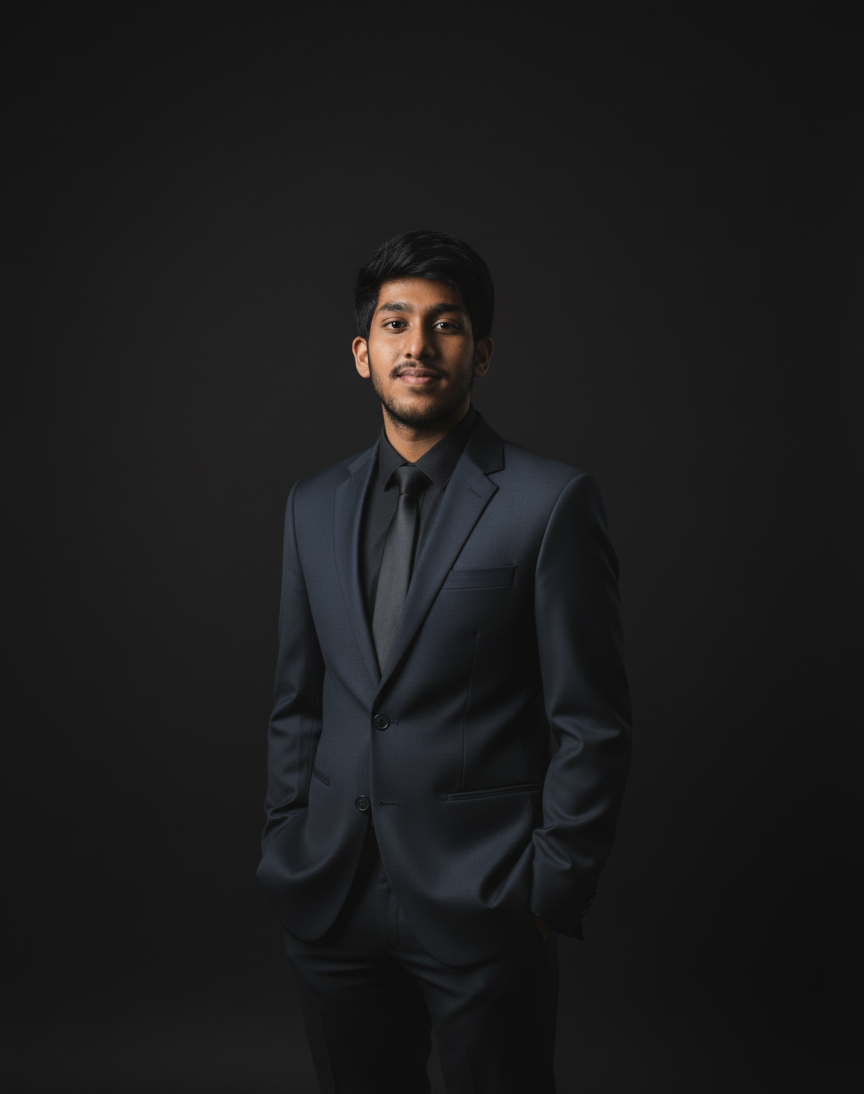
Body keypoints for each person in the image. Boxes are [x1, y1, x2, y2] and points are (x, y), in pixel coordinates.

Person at [257, 230, 631, 1093]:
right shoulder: (311, 505)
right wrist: (286, 840)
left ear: (482, 352)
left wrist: (548, 892)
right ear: (363, 352)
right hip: (332, 897)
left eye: (445, 324)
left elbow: (592, 720)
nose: (417, 346)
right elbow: (296, 702)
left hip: (487, 901)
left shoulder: (550, 502)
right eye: (395, 324)